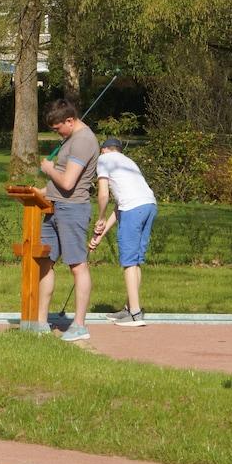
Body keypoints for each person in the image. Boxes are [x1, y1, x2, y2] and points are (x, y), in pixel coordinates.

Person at [35, 99, 99, 342]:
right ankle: (40, 322)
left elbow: (69, 182)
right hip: (53, 207)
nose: (56, 132)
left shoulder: (83, 140)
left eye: (57, 128)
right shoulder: (71, 138)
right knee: (45, 262)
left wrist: (48, 169)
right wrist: (43, 190)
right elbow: (60, 180)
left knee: (76, 265)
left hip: (72, 210)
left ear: (70, 121)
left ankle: (79, 326)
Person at [89, 138, 157, 327]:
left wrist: (100, 217)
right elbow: (120, 208)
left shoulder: (104, 160)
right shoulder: (128, 162)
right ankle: (129, 308)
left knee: (128, 261)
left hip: (133, 210)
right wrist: (100, 235)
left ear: (103, 150)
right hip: (149, 206)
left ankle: (135, 314)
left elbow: (103, 195)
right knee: (135, 260)